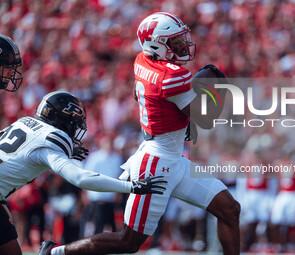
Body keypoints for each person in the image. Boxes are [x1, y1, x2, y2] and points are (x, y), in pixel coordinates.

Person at [39, 12, 240, 255]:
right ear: (157, 44)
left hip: (171, 157)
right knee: (128, 241)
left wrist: (172, 117)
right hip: (157, 165)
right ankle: (54, 252)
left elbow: (144, 96)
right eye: (175, 42)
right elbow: (206, 120)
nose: (182, 46)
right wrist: (218, 93)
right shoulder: (172, 76)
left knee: (229, 209)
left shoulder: (142, 60)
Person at [0, 91, 166, 255]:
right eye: (73, 123)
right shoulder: (50, 143)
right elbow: (80, 178)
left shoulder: (23, 123)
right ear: (61, 120)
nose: (74, 129)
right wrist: (131, 186)